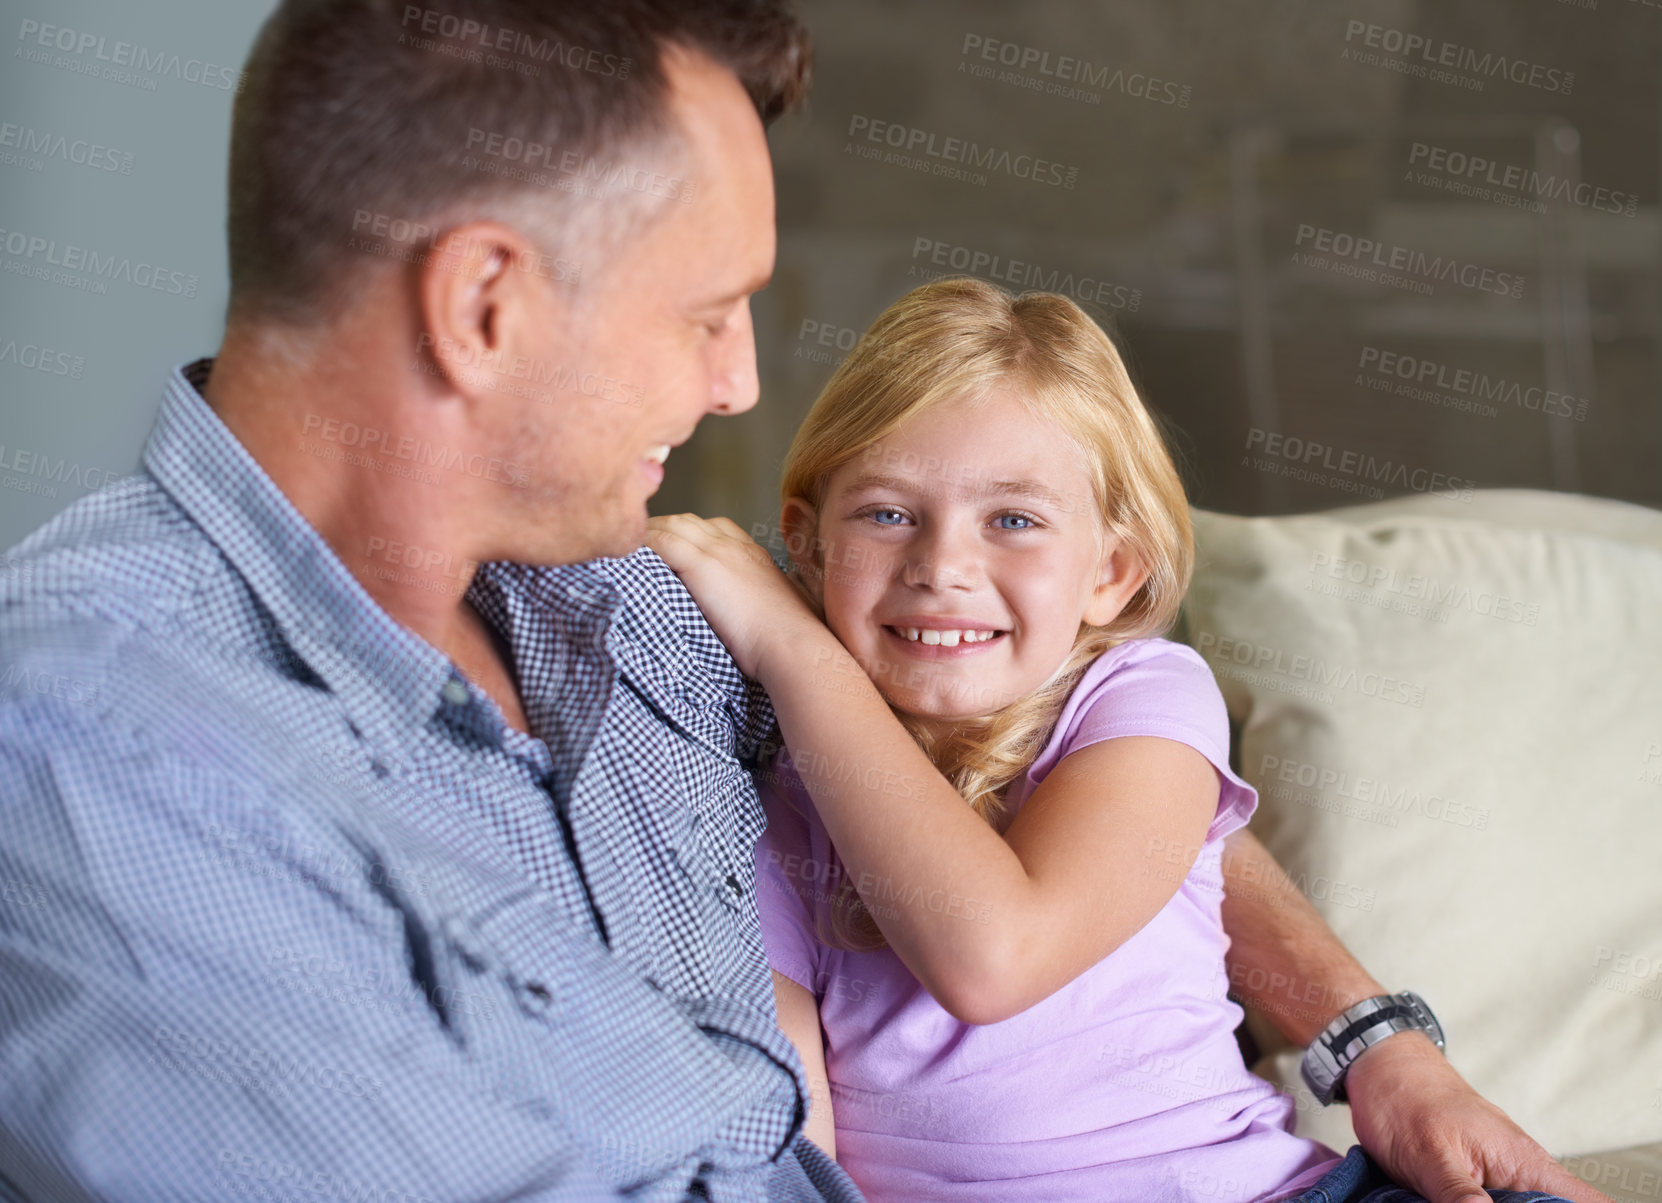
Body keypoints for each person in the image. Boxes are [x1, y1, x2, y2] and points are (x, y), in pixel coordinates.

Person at [0, 1, 1607, 1200]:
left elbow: (1069, 783)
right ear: (483, 302)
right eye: (707, 313)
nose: (736, 382)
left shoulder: (642, 595)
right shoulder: (102, 748)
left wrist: (1363, 1035)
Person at [645, 280, 1606, 1203]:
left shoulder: (1138, 701)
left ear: (1110, 571)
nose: (941, 566)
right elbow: (794, 1134)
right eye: (888, 514)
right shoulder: (770, 806)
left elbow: (995, 957)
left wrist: (792, 646)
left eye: (1014, 519)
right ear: (806, 546)